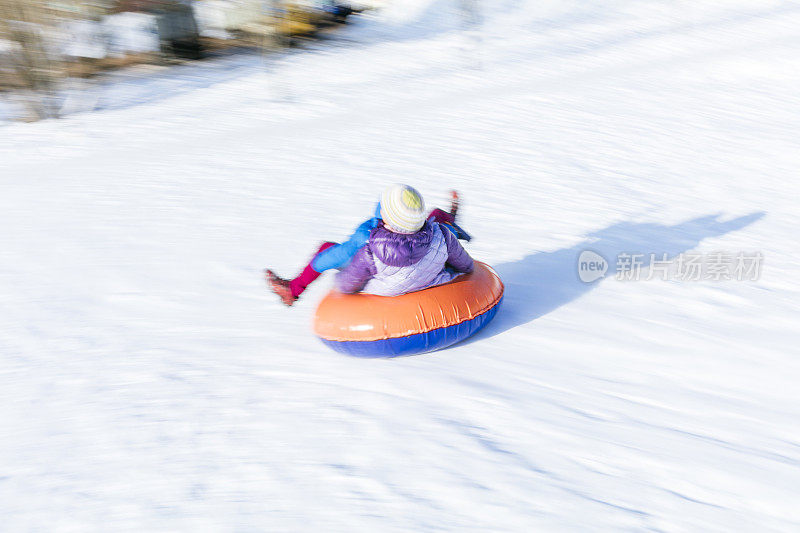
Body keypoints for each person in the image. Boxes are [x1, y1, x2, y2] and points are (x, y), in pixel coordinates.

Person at [266, 186, 471, 306]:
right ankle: (450, 218)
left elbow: (339, 274)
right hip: (426, 265)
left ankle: (292, 290)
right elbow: (464, 263)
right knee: (437, 218)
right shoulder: (439, 235)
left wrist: (339, 283)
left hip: (382, 278)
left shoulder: (368, 246)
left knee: (327, 250)